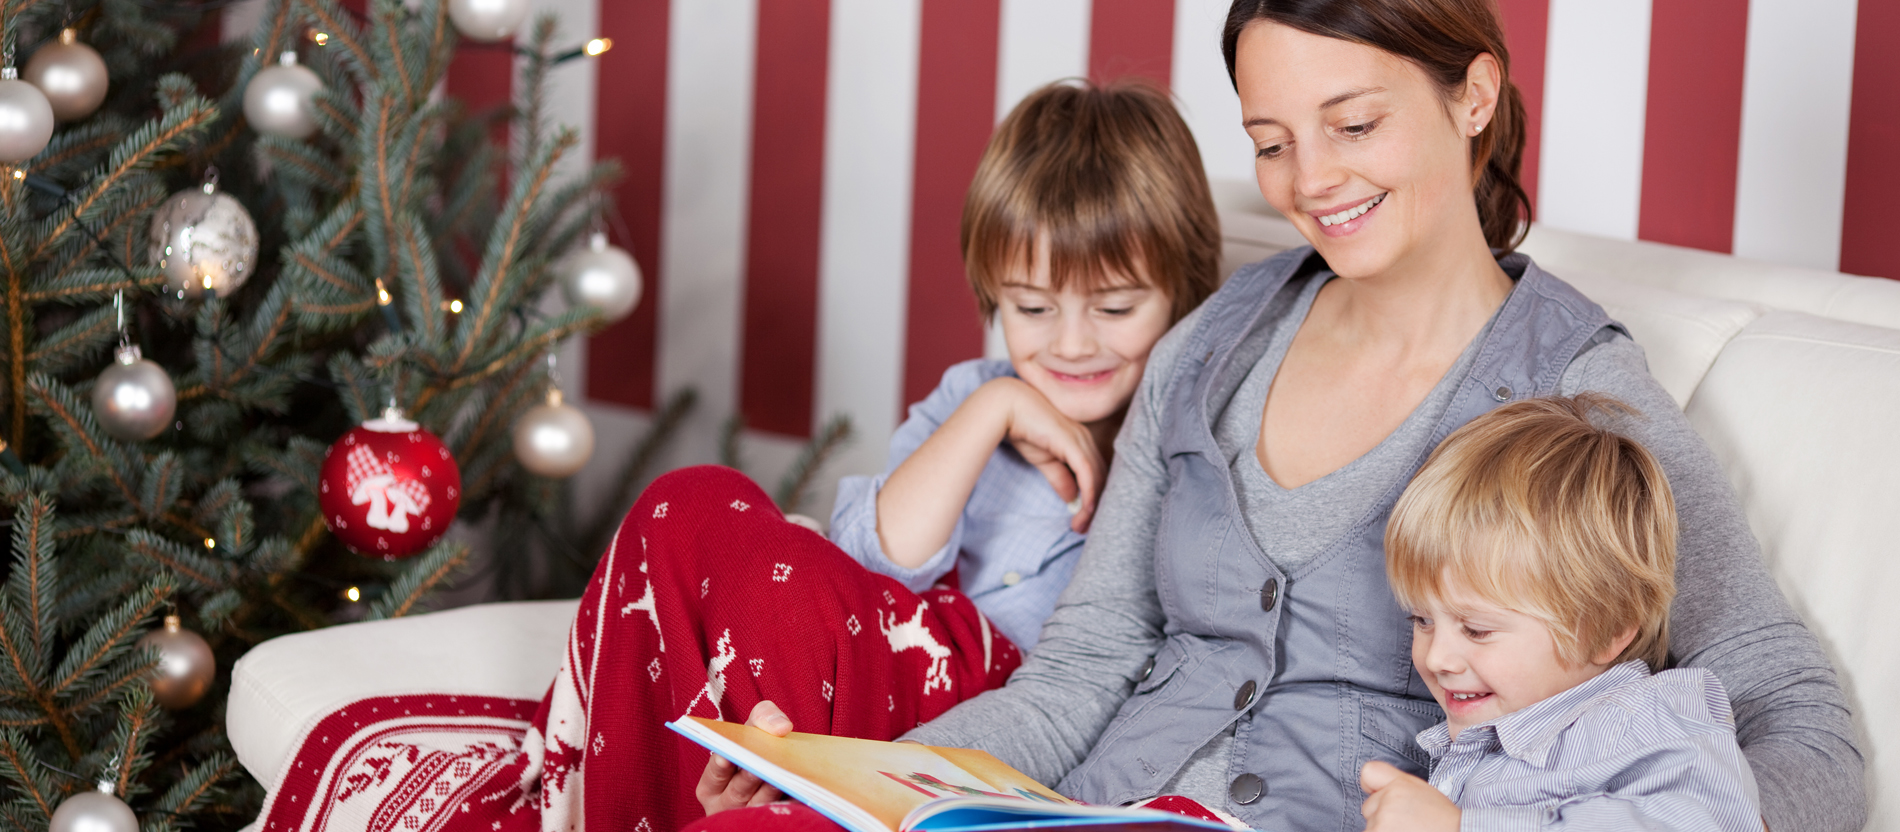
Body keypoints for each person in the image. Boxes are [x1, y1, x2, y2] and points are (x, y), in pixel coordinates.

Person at [702, 1, 1864, 831]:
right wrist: (864, 782)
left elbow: (1795, 714)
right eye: (1269, 141)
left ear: (1473, 94)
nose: (1309, 181)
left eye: (1351, 125)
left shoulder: (1571, 392)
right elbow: (1088, 662)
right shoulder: (1217, 337)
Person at [1361, 394, 1760, 831]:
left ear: (1608, 627)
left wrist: (1461, 827)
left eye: (1476, 630)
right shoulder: (1491, 734)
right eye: (1422, 621)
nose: (1436, 659)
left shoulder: (1641, 723)